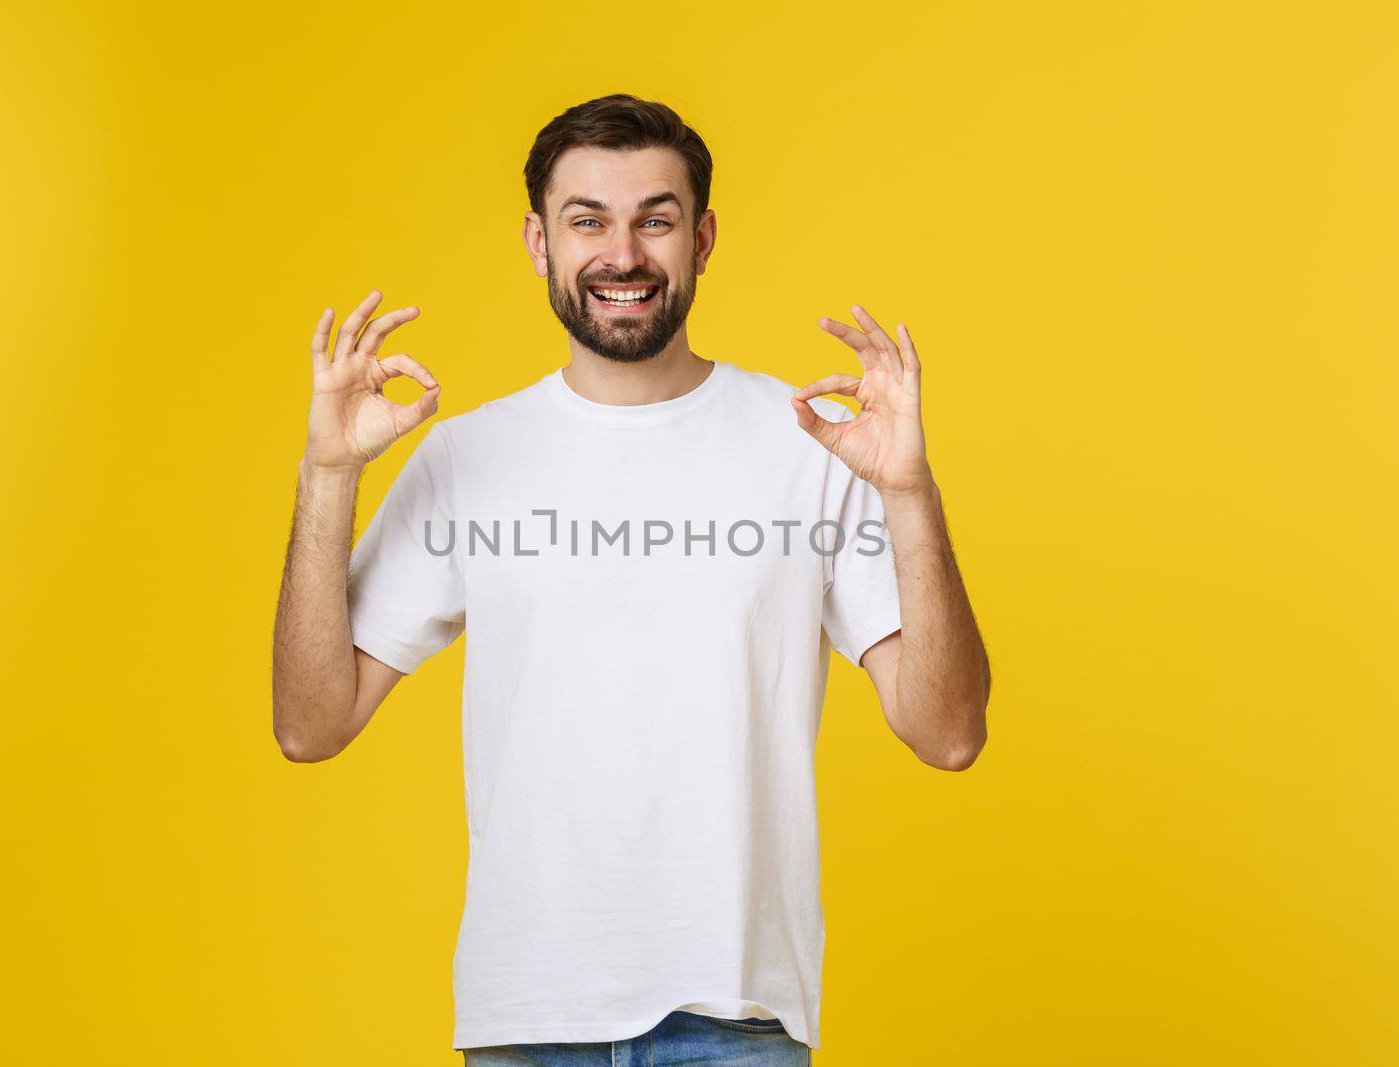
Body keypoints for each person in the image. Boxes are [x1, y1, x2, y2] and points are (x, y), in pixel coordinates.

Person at [271, 93, 991, 1065]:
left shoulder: (812, 445)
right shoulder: (467, 456)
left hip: (737, 1020)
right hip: (529, 1018)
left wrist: (908, 488)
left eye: (655, 218)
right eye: (587, 220)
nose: (624, 255)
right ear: (538, 241)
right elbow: (309, 723)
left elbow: (946, 731)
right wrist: (328, 476)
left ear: (701, 238)